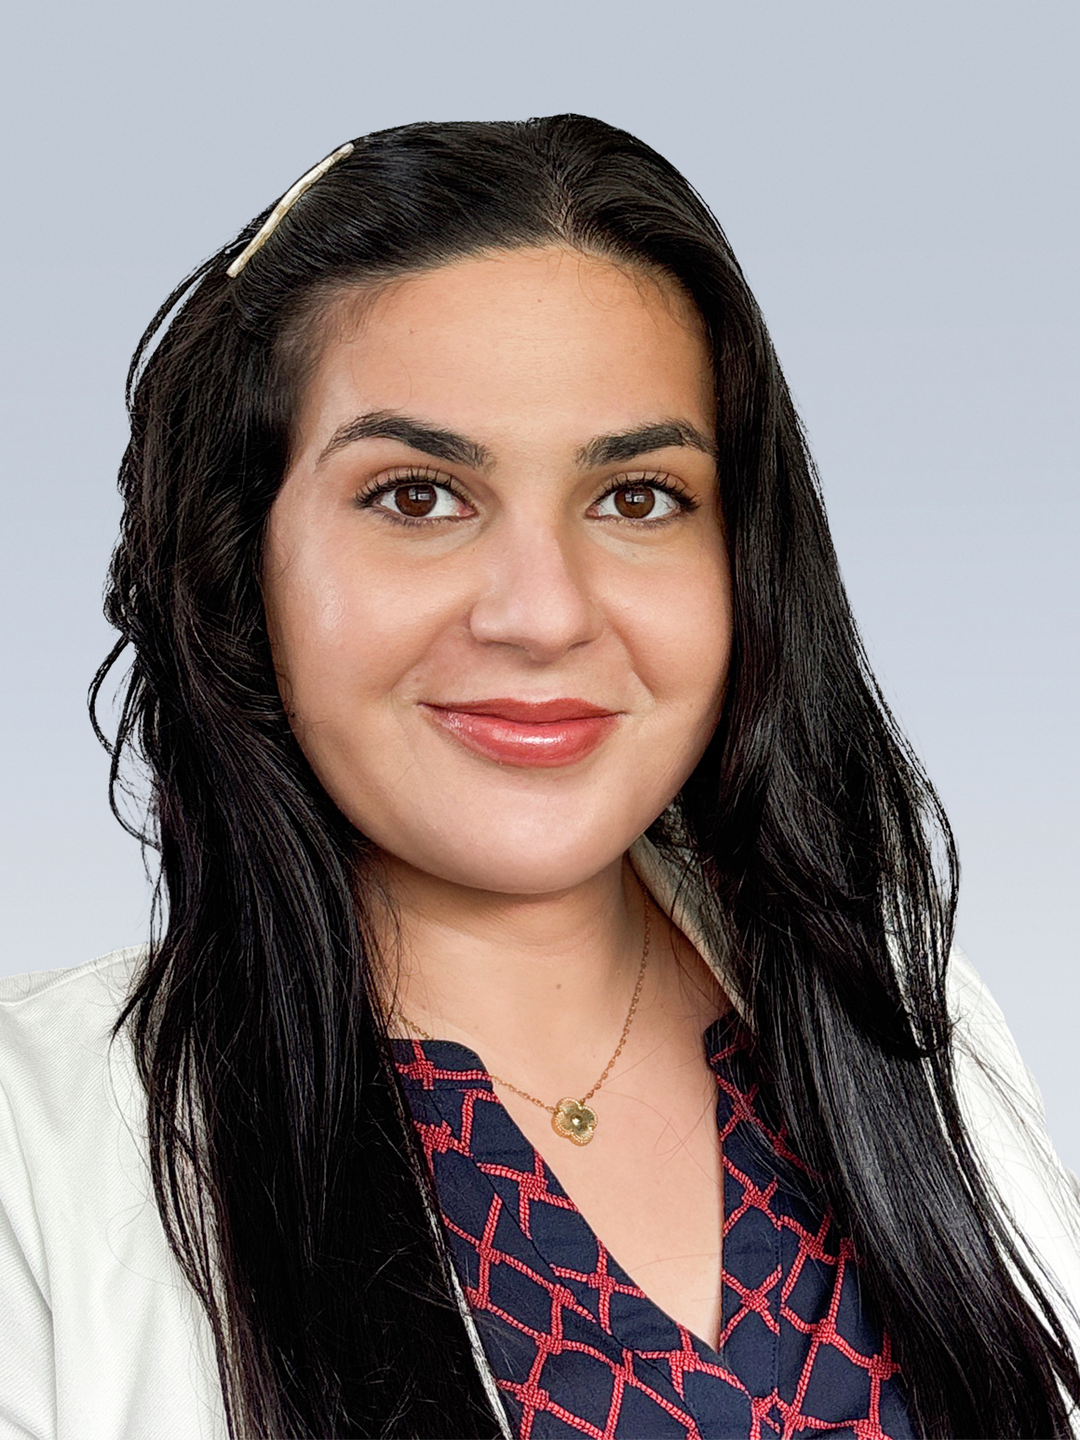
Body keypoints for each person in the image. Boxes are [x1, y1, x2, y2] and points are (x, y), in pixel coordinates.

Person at [0, 115, 1078, 1440]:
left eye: (636, 497)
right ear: (238, 558)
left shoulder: (915, 1021)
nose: (543, 614)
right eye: (417, 496)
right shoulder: (28, 1149)